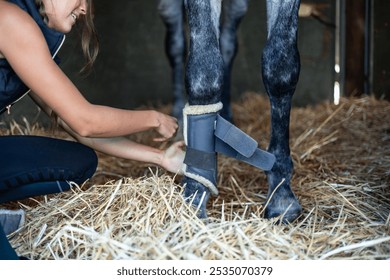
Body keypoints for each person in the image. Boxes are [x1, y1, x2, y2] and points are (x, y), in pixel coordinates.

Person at [0, 0, 185, 259]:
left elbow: (75, 126)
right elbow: (85, 121)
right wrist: (154, 118)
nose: (85, 9)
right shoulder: (9, 19)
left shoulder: (26, 32)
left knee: (78, 163)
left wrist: (160, 157)